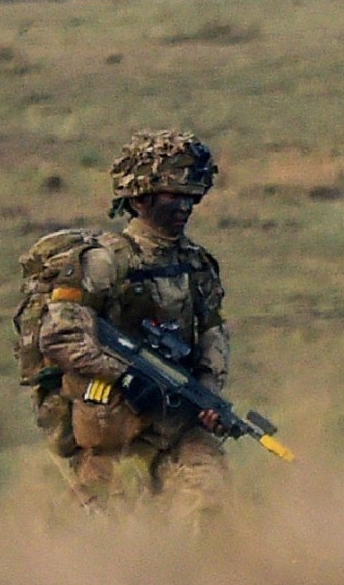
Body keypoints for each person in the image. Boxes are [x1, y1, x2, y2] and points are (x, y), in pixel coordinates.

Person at [20, 129, 235, 511]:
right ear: (141, 197)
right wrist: (127, 376)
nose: (187, 205)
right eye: (175, 194)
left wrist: (208, 395)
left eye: (193, 195)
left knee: (209, 507)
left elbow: (213, 334)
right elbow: (61, 335)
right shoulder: (103, 262)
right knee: (118, 536)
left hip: (179, 424)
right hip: (114, 432)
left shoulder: (197, 264)